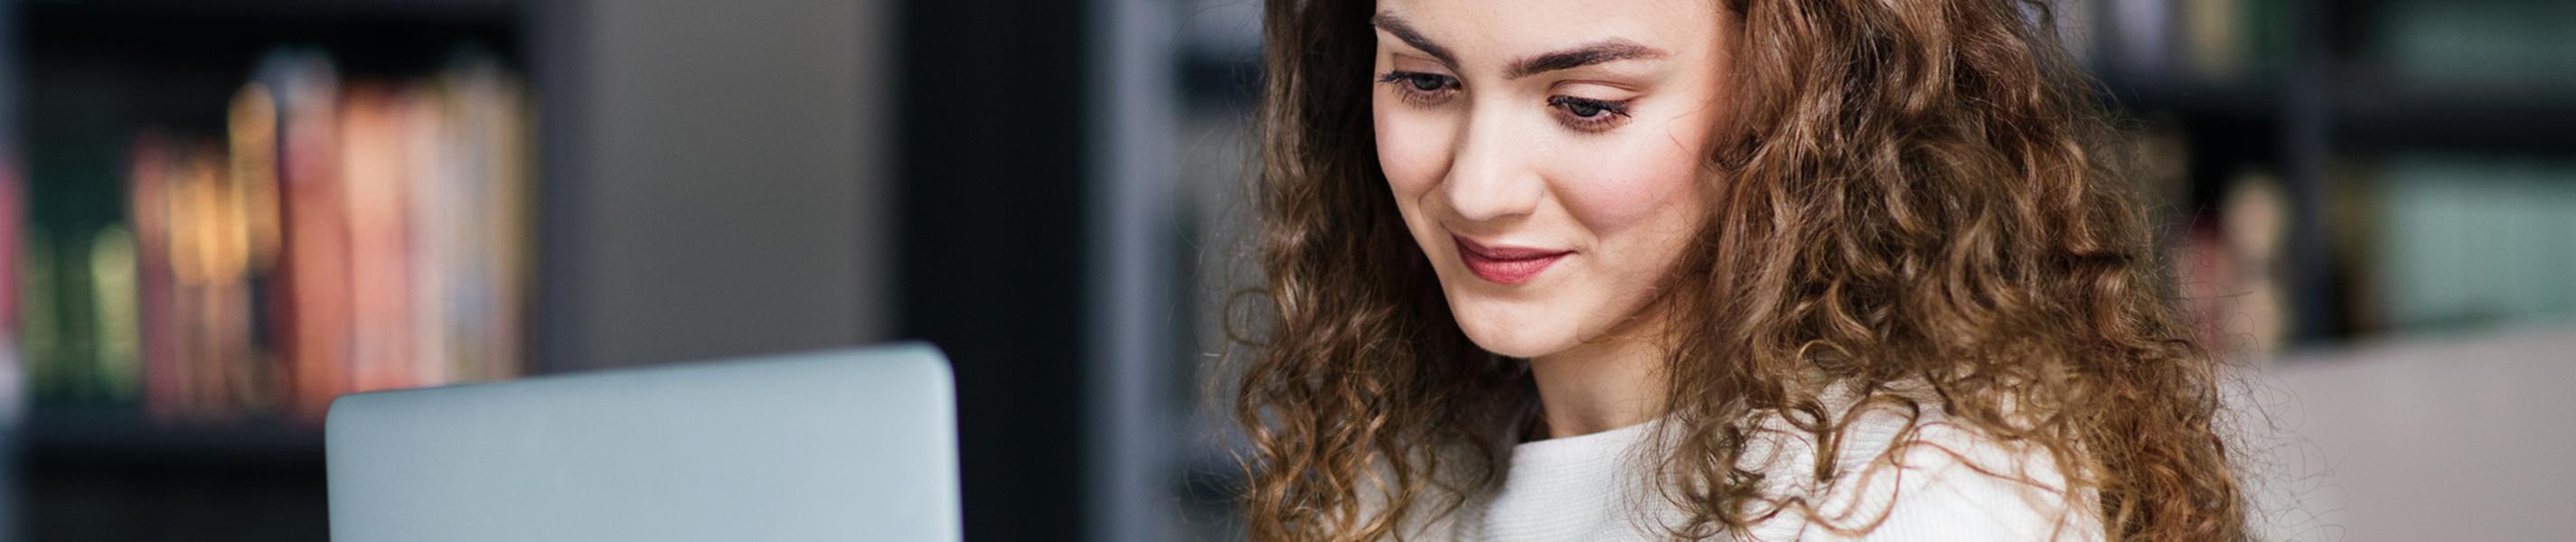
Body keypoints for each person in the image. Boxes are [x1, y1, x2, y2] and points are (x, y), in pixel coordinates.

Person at [1229, 0, 2246, 539]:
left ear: (1784, 92)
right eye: (1422, 80)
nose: (1478, 186)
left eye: (1586, 106)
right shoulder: (1402, 483)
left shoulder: (1916, 501)